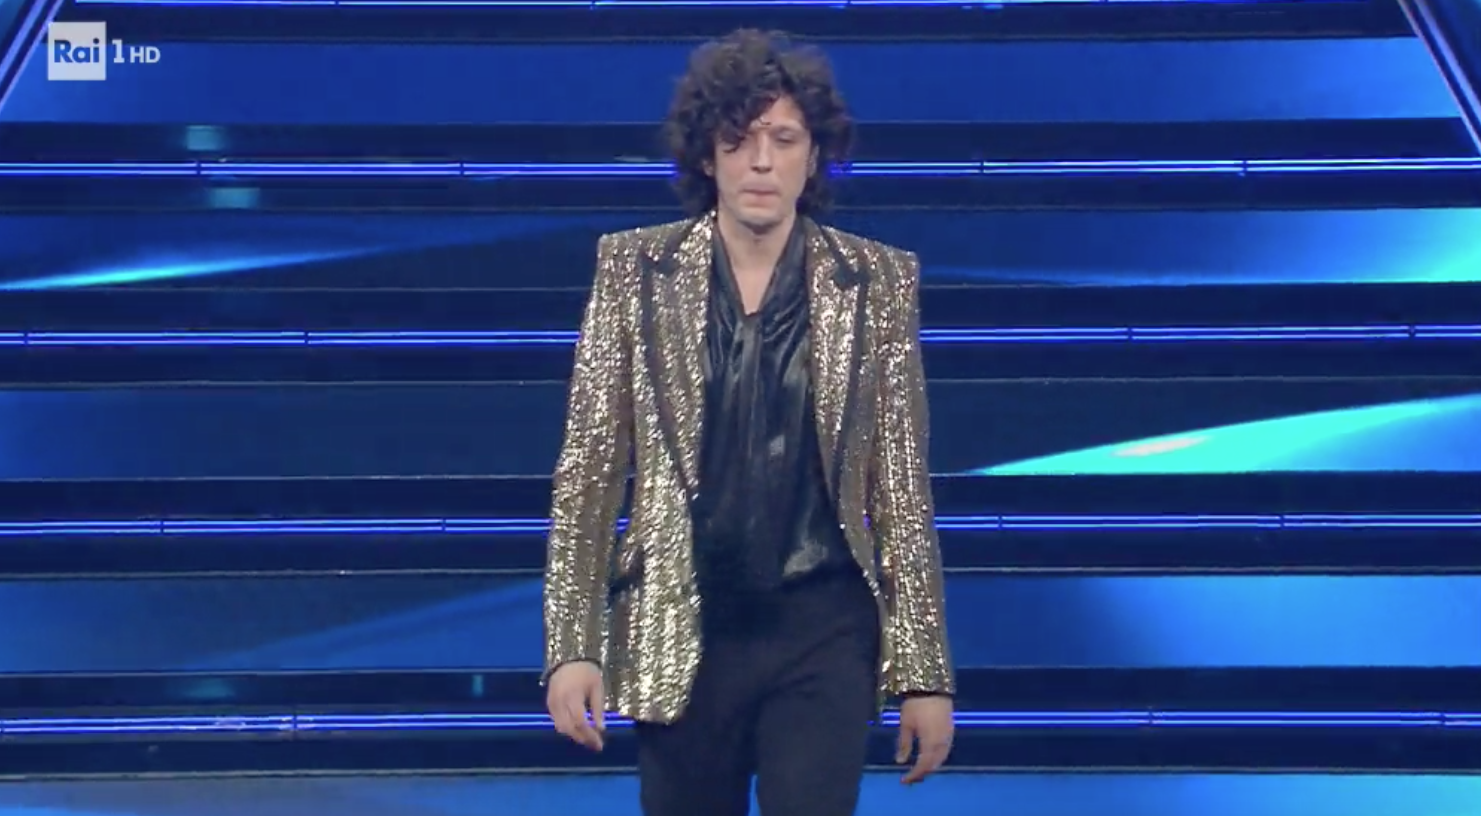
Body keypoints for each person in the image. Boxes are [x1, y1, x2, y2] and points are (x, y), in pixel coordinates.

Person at [541, 28, 955, 816]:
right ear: (707, 156)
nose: (761, 161)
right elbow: (588, 475)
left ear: (814, 156)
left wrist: (924, 674)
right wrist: (571, 647)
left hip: (823, 628)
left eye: (783, 139)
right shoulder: (633, 271)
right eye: (739, 140)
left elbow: (900, 489)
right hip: (682, 621)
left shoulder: (875, 281)